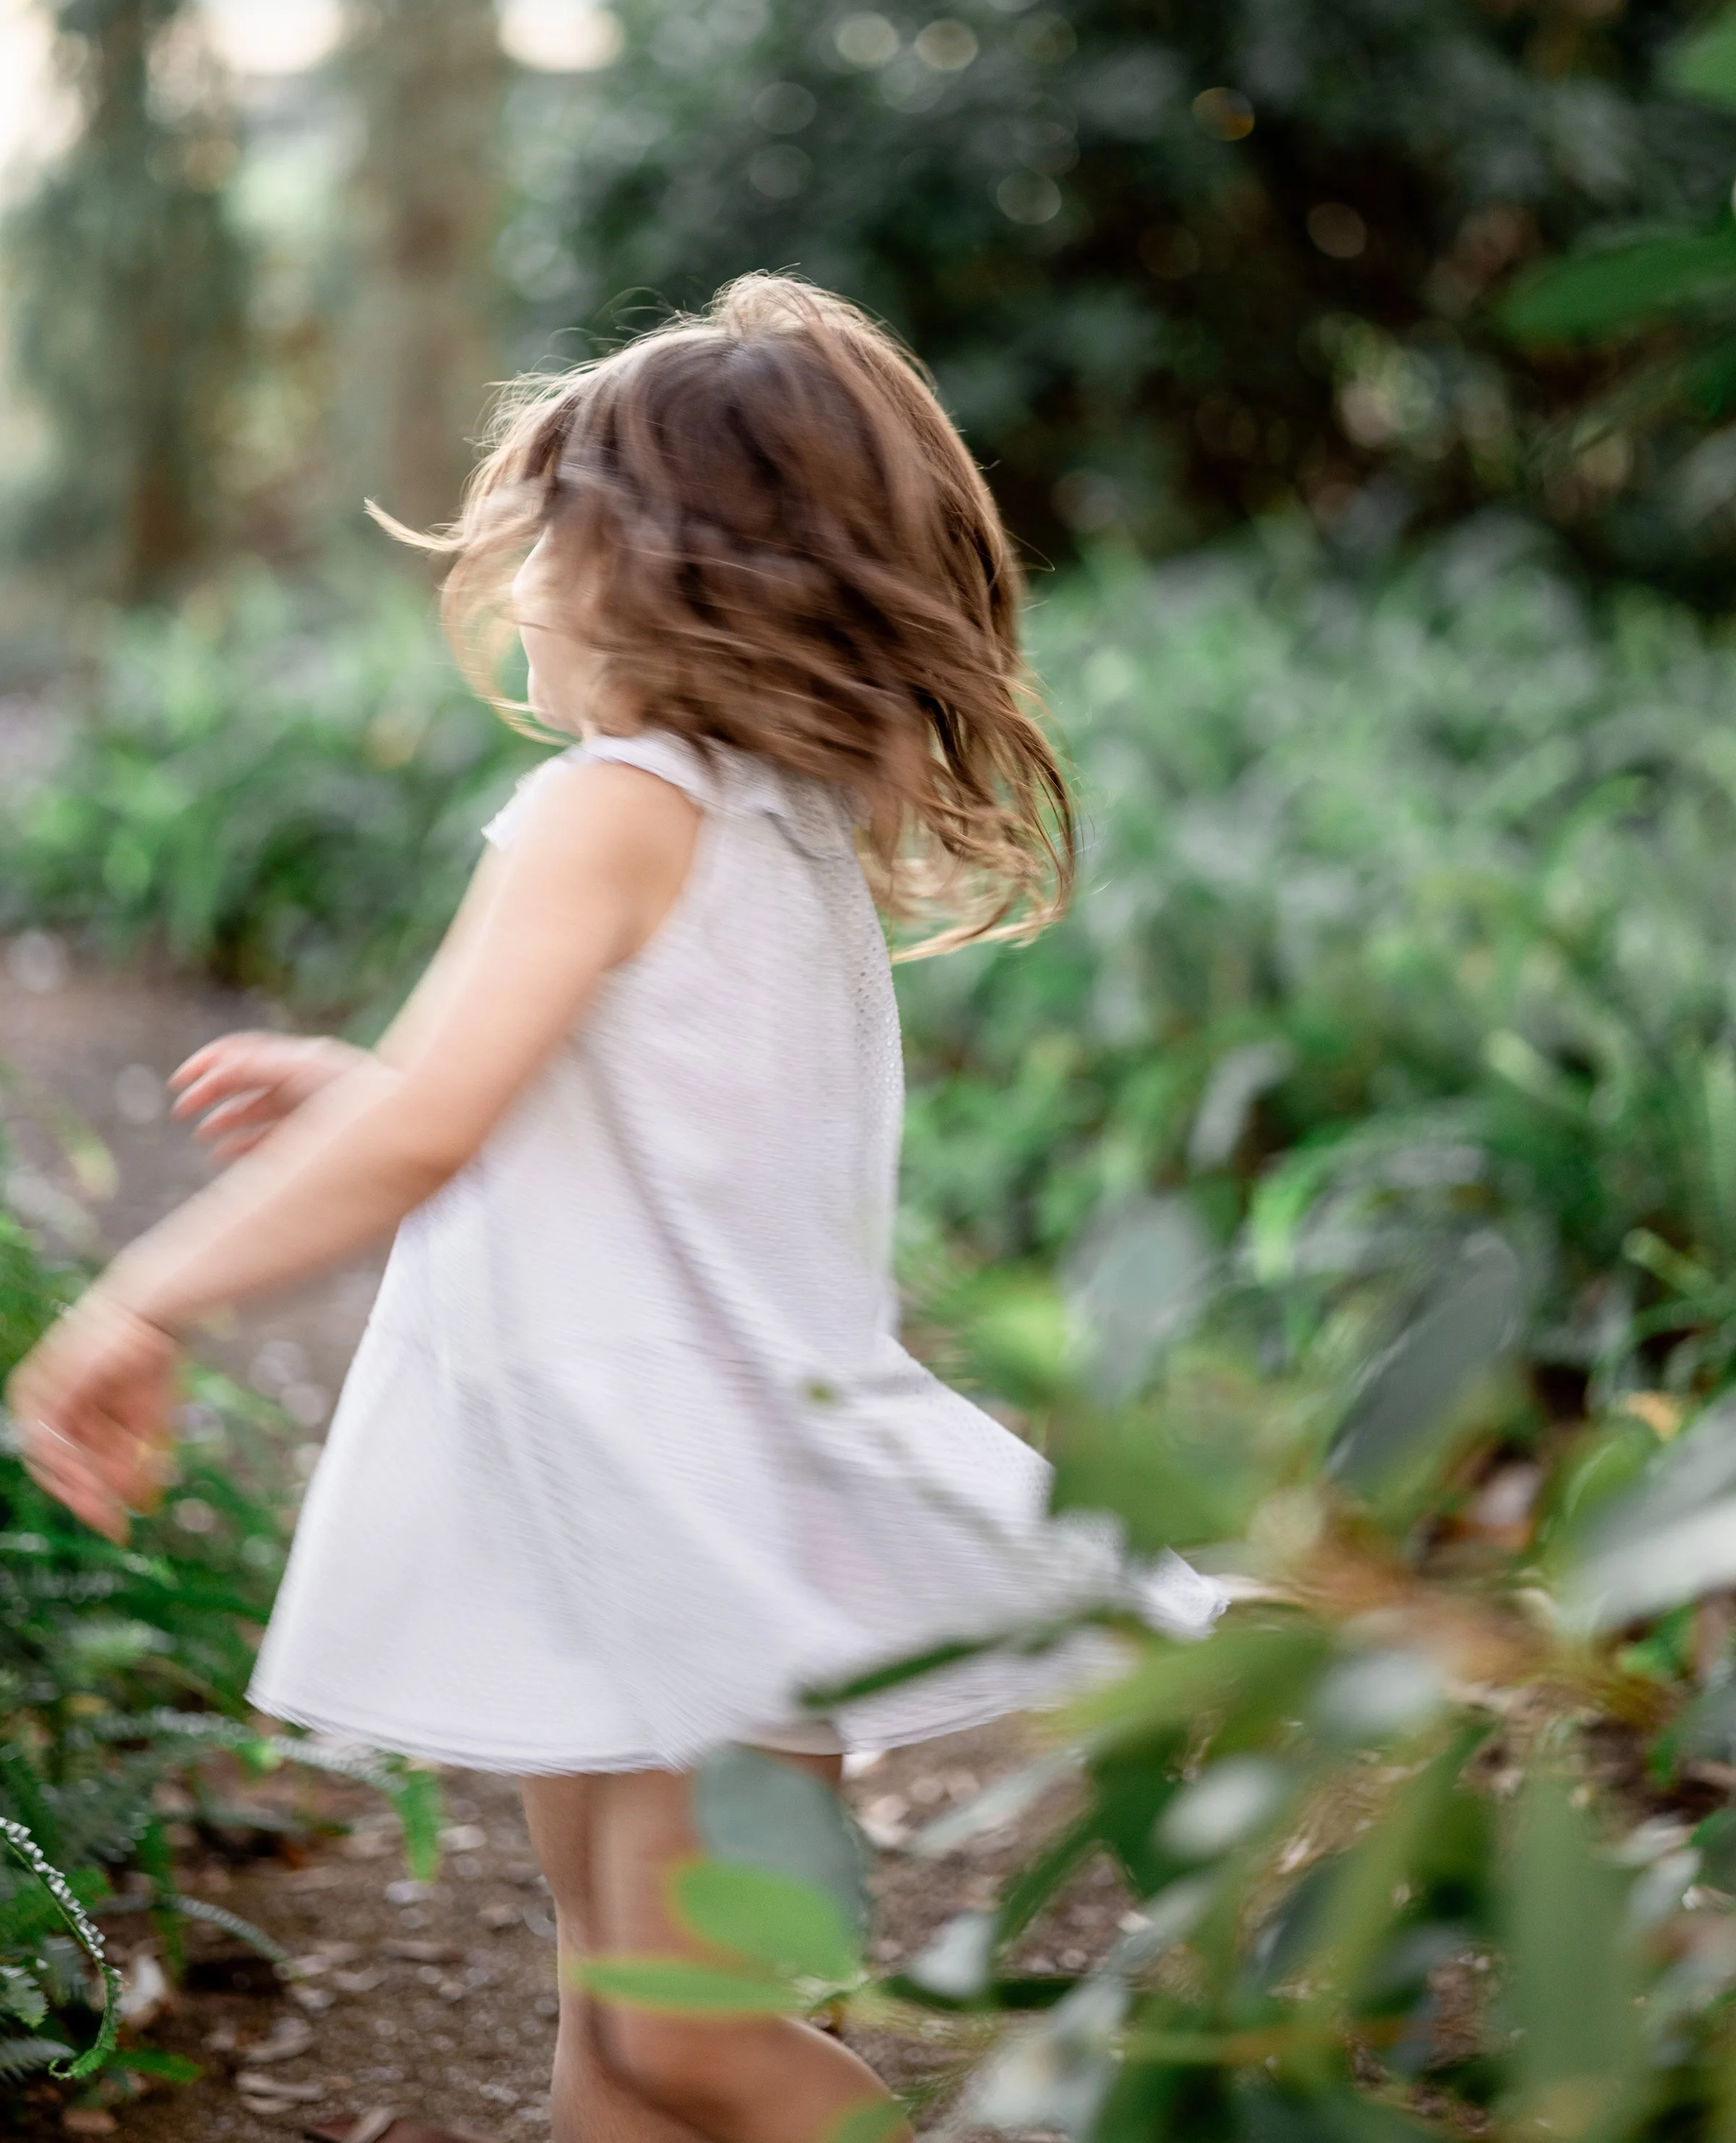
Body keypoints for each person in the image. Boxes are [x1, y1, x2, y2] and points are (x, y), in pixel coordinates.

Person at [8, 276, 1219, 2143]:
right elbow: (617, 1116)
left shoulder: (618, 804)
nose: (519, 591)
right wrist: (374, 1093)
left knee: (686, 2039)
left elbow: (431, 1134)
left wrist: (144, 1300)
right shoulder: (772, 820)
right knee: (615, 2036)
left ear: (658, 570)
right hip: (654, 1506)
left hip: (688, 1511)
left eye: (545, 543)